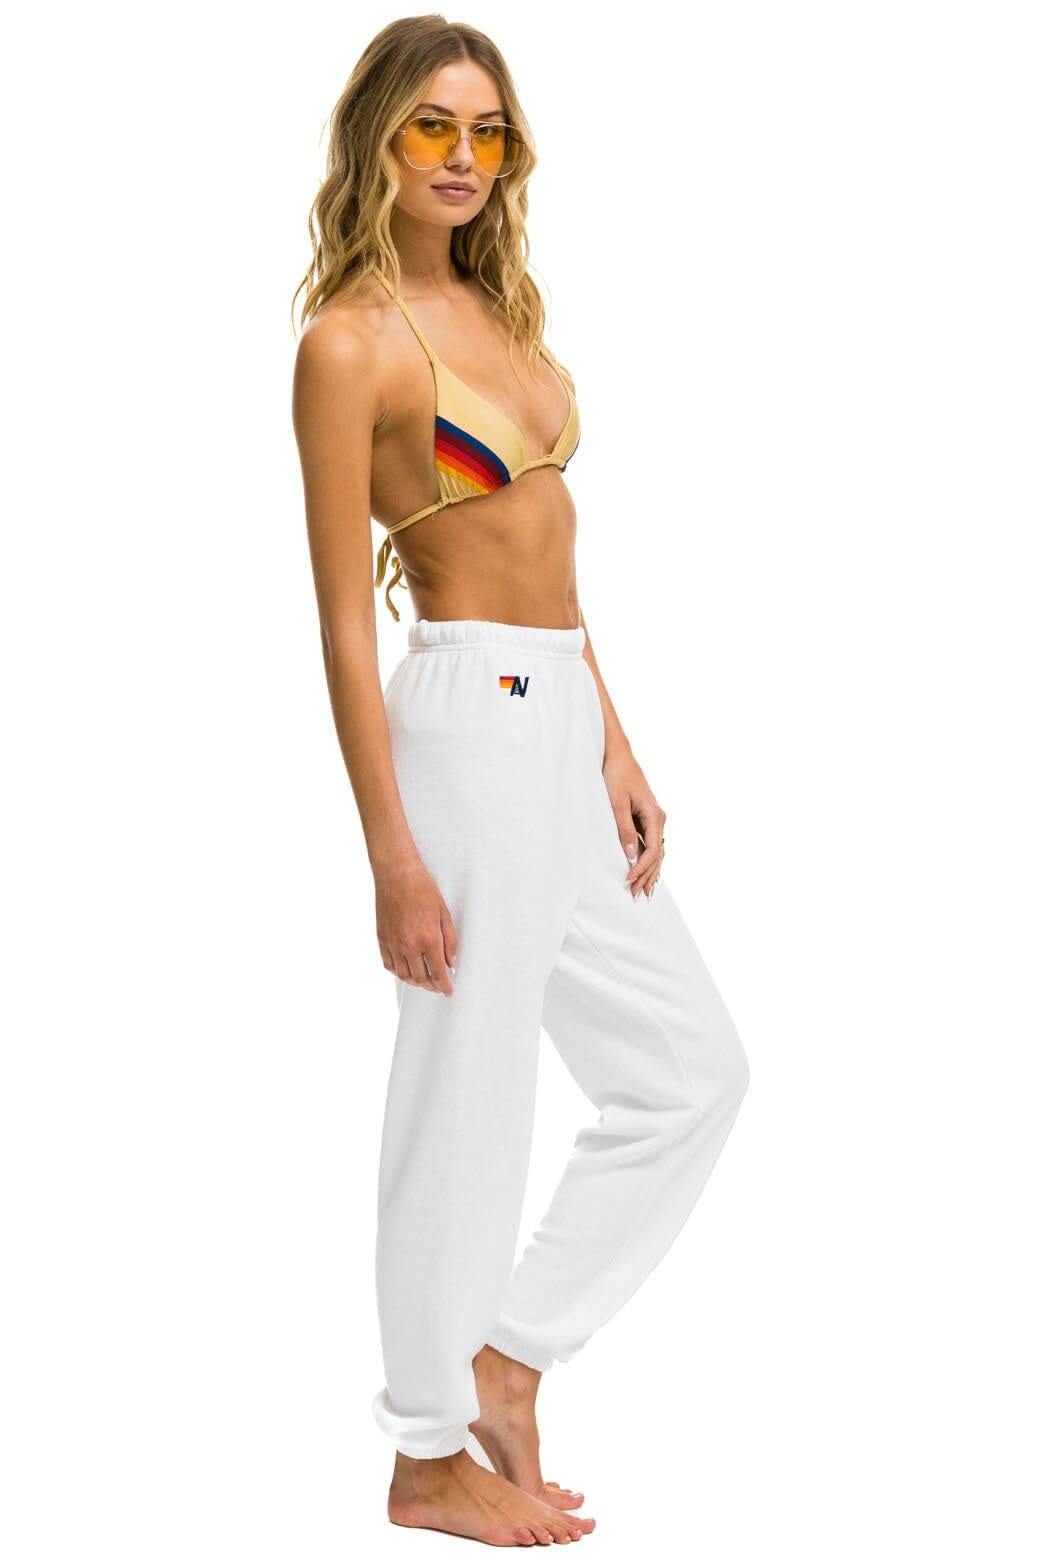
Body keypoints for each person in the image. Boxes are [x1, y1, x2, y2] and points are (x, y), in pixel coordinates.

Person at [291, 16, 751, 1548]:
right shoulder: (351, 345)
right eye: (433, 126)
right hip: (466, 728)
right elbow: (343, 622)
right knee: (467, 1098)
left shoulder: (501, 316)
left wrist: (613, 740)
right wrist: (390, 854)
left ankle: (508, 1356)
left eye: (486, 130)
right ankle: (426, 1453)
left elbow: (552, 561)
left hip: (555, 716)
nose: (465, 156)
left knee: (691, 1070)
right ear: (379, 136)